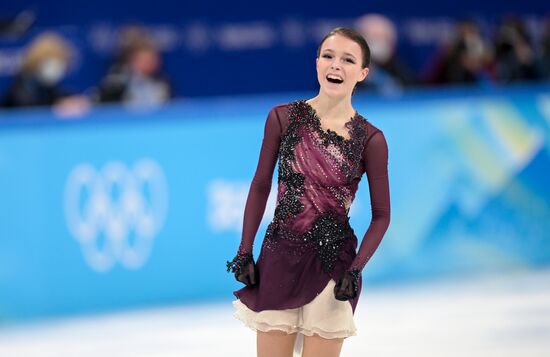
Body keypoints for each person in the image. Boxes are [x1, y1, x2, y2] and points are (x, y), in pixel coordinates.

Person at [226, 27, 391, 357]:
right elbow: (260, 186)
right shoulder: (283, 118)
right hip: (278, 260)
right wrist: (245, 250)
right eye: (328, 56)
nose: (335, 65)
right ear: (317, 63)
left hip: (333, 268)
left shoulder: (370, 139)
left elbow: (382, 215)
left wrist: (355, 270)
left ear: (362, 73)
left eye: (347, 60)